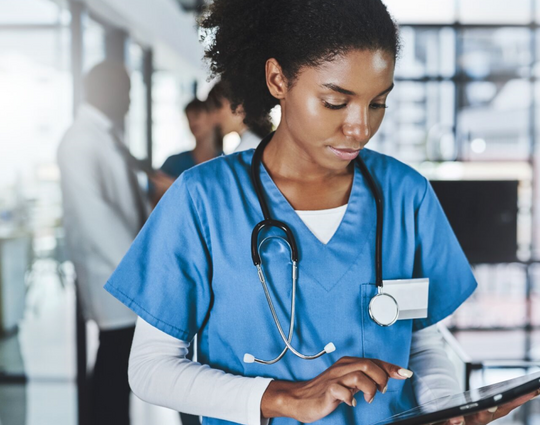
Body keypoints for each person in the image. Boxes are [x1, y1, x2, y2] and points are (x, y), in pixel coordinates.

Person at [104, 1, 538, 425]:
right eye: (335, 102)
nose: (360, 128)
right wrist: (284, 398)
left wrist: (444, 407)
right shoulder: (202, 199)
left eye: (377, 103)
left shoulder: (406, 195)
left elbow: (422, 344)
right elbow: (150, 368)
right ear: (278, 79)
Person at [57, 60, 148, 425]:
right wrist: (143, 278)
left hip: (123, 278)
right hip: (116, 280)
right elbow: (98, 221)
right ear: (106, 92)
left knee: (116, 370)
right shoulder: (79, 141)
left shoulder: (105, 135)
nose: (128, 101)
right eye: (125, 92)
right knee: (114, 371)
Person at [161, 98, 222, 179]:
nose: (192, 123)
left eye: (196, 116)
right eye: (189, 119)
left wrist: (175, 186)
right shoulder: (173, 163)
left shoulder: (226, 163)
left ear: (212, 117)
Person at [206, 80, 272, 152]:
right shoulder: (260, 144)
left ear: (238, 106)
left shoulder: (245, 153)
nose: (214, 119)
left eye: (217, 108)